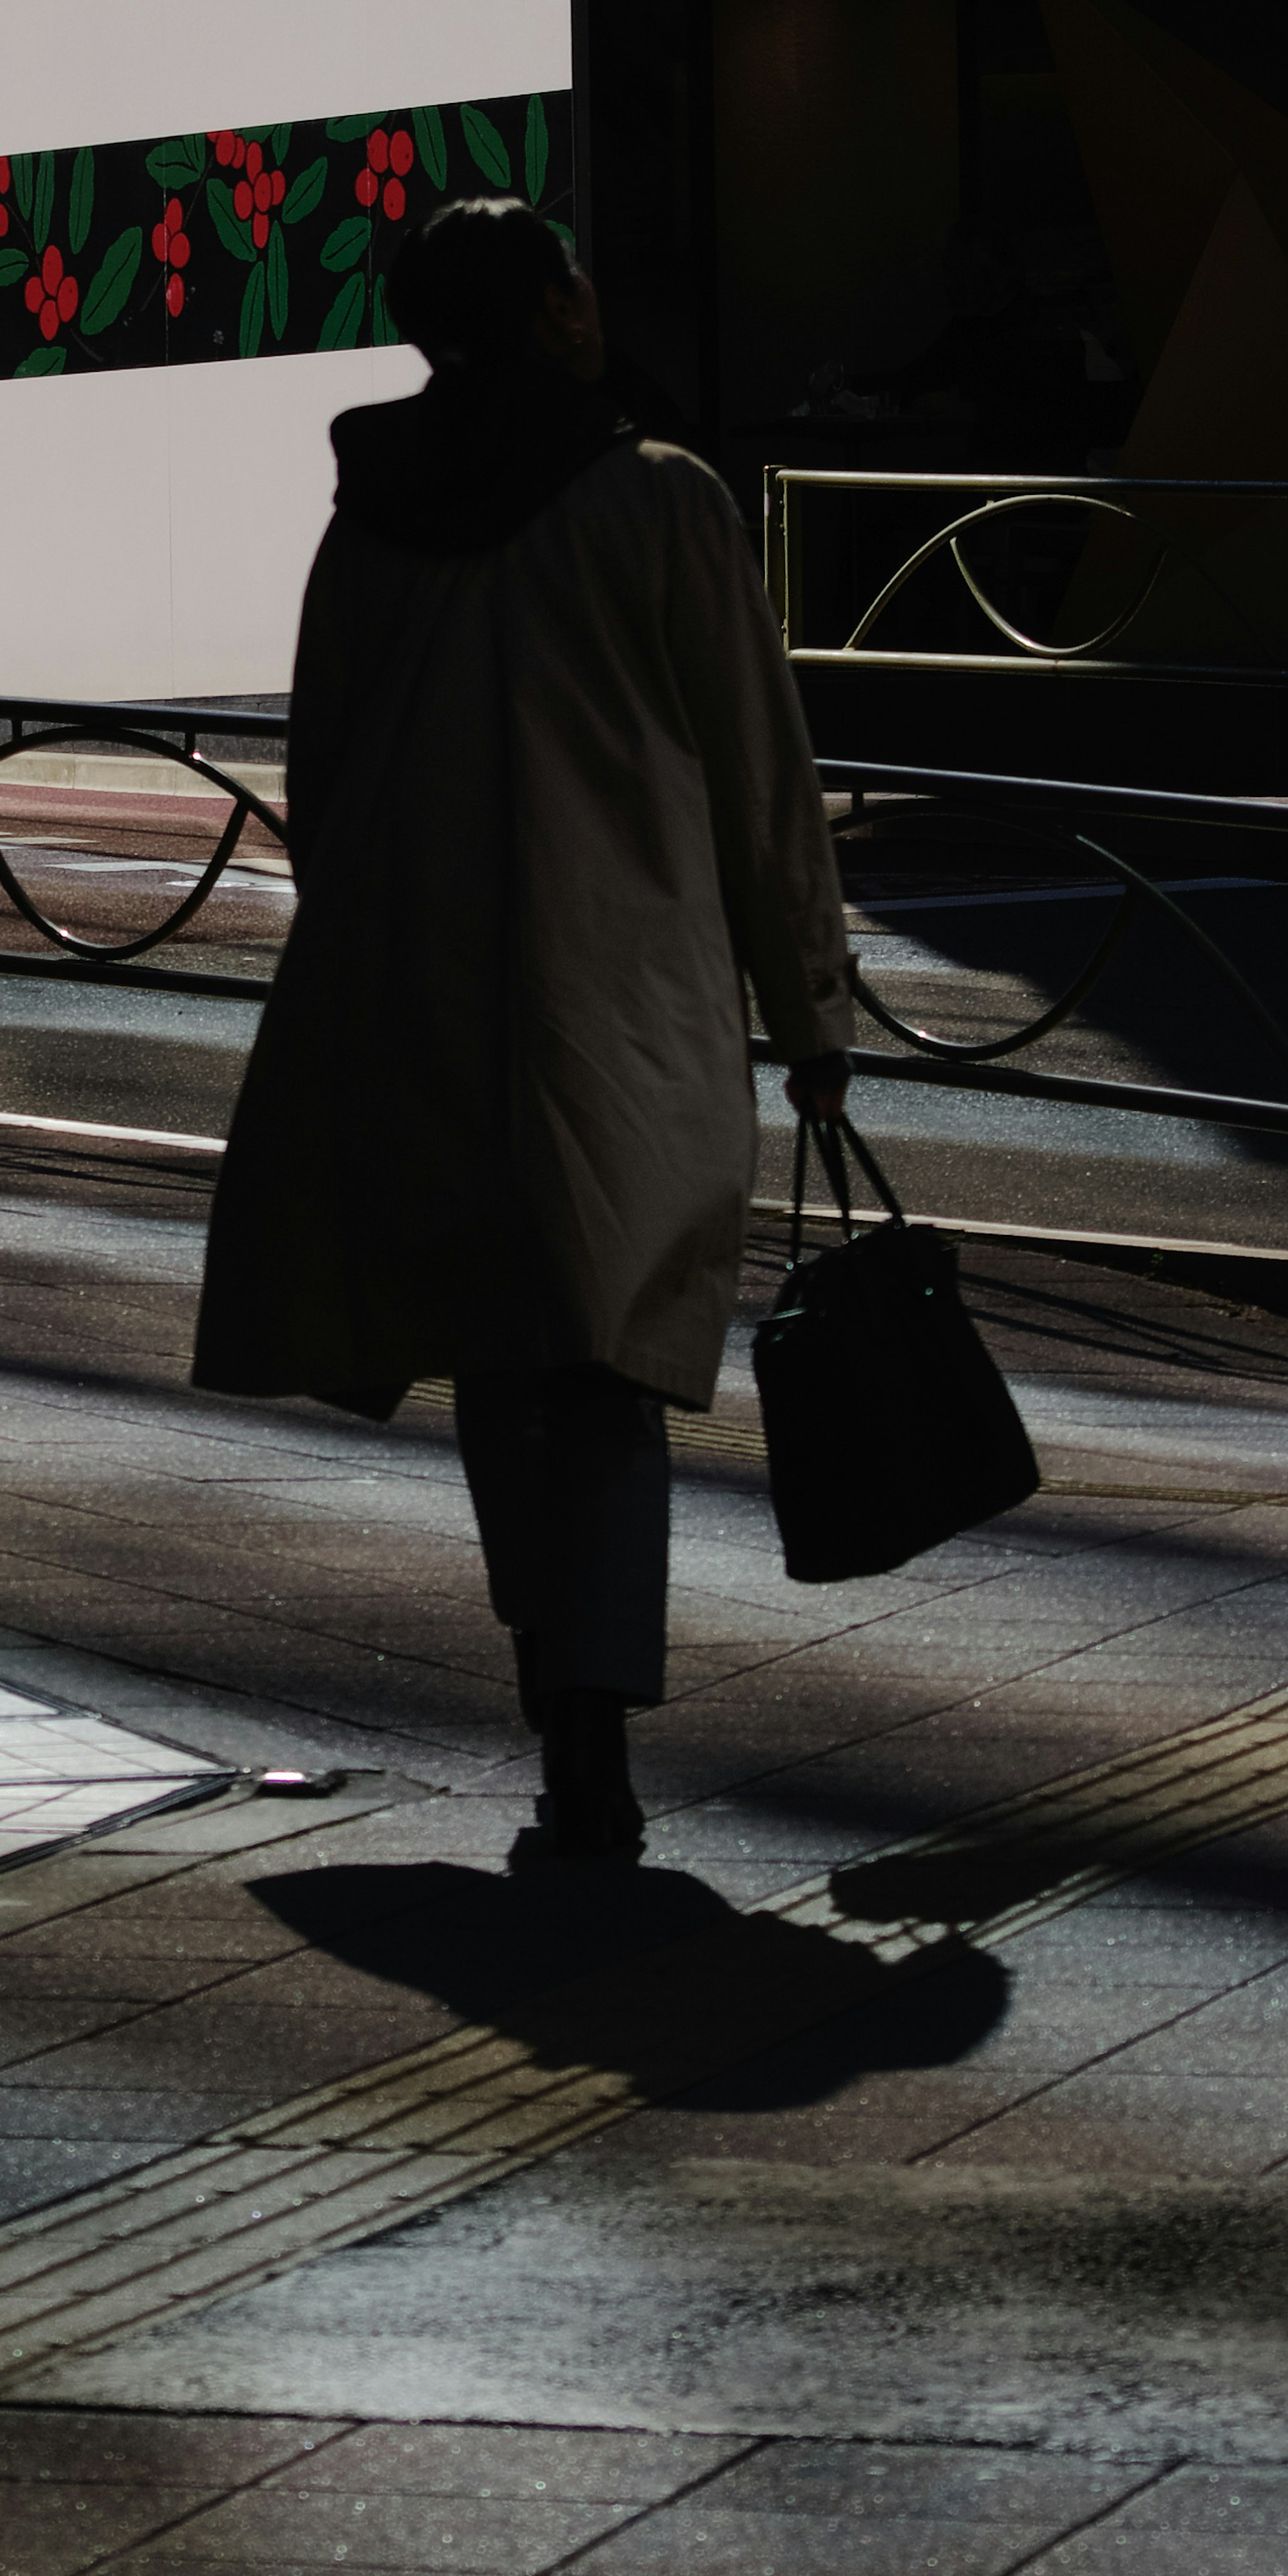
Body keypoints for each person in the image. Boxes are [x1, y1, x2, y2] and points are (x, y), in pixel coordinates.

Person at [192, 196, 853, 1859]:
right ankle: (597, 1731)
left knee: (499, 1351)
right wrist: (812, 1005)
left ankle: (560, 1711)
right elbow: (759, 773)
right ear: (551, 309)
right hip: (618, 1000)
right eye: (572, 278)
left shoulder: (381, 508)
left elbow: (323, 766)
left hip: (420, 992)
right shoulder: (657, 501)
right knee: (607, 1361)